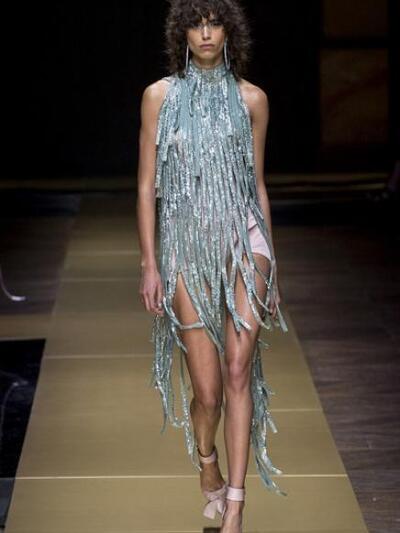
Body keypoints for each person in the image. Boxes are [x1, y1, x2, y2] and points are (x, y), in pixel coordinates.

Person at [136, 1, 289, 530]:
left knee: (238, 370)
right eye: (195, 24)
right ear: (181, 32)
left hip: (246, 240)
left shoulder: (253, 100)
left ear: (229, 31)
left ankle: (236, 508)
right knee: (207, 393)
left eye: (214, 23)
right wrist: (150, 263)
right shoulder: (158, 97)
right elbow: (146, 186)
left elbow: (258, 184)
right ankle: (208, 463)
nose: (205, 33)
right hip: (185, 247)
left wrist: (273, 264)